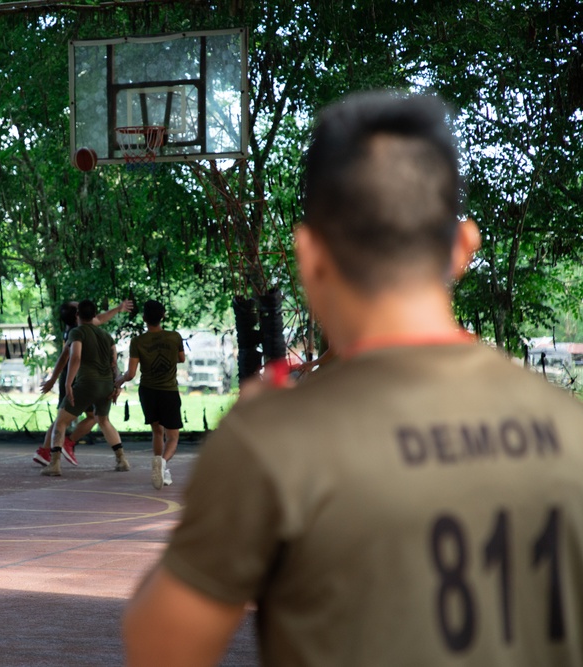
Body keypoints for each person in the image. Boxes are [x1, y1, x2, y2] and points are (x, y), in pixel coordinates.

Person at [123, 91, 583, 666]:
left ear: (309, 254)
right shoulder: (572, 430)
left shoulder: (273, 442)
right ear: (464, 246)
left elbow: (159, 647)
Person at [34, 298, 132, 467]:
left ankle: (54, 462)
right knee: (103, 421)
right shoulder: (106, 336)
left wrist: (64, 383)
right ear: (92, 315)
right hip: (106, 384)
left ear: (79, 315)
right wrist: (117, 385)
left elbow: (73, 357)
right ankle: (121, 459)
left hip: (86, 383)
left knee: (61, 420)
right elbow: (114, 364)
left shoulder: (76, 332)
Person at [115, 300, 185, 490]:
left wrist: (118, 382)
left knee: (157, 431)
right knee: (172, 437)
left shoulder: (137, 341)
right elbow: (181, 358)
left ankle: (161, 467)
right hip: (169, 391)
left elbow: (130, 374)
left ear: (144, 318)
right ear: (163, 315)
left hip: (148, 391)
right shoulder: (175, 337)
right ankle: (163, 463)